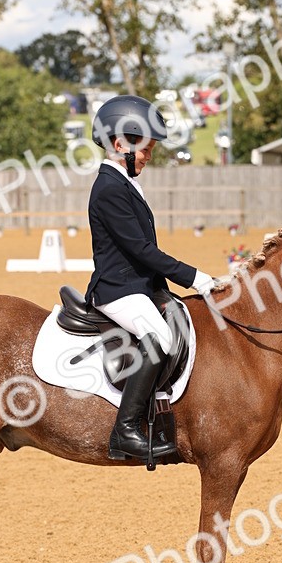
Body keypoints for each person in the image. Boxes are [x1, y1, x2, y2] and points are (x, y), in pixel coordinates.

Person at [85, 94, 217, 462]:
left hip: (139, 286)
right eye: (144, 149)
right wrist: (194, 277)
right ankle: (125, 431)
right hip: (117, 290)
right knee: (157, 336)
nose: (148, 156)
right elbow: (141, 251)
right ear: (119, 143)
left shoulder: (126, 182)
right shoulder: (109, 188)